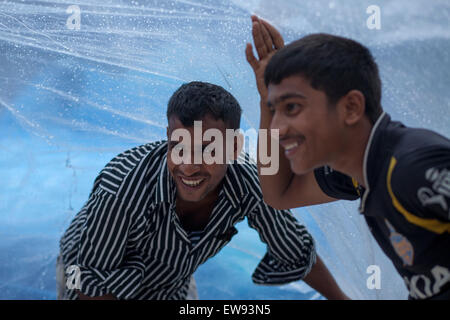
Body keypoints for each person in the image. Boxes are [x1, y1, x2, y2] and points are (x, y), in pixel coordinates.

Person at [57, 81, 349, 300]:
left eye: (207, 151)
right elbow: (88, 283)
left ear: (234, 147)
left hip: (170, 282)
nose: (188, 166)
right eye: (178, 148)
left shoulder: (250, 183)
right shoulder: (120, 188)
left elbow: (294, 249)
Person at [245, 16, 450, 300]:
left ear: (351, 107)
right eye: (273, 110)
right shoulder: (359, 173)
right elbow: (277, 194)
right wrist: (263, 101)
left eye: (291, 107)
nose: (276, 128)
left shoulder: (413, 167)